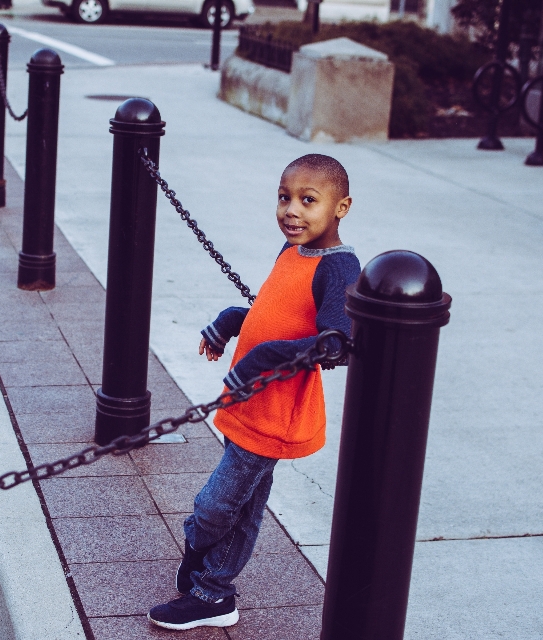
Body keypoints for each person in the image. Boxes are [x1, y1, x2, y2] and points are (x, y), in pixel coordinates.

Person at [147, 154, 361, 631]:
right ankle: (213, 590)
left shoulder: (340, 267)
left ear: (341, 206)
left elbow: (335, 343)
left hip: (275, 410)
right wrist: (232, 320)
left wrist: (260, 360)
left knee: (216, 505)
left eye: (309, 200)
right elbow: (276, 312)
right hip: (248, 402)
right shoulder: (292, 251)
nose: (292, 210)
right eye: (285, 197)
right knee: (243, 503)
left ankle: (201, 561)